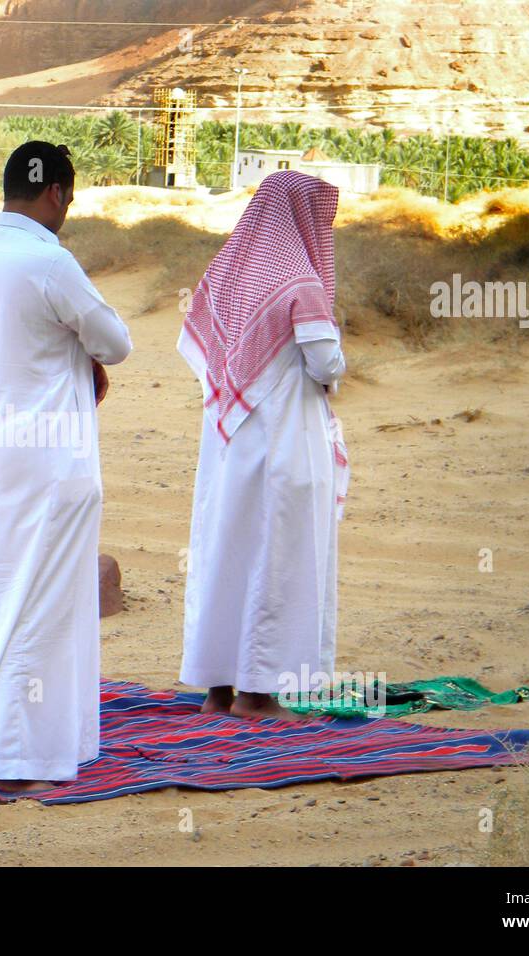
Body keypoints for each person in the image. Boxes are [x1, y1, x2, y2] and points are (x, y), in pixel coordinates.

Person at [0, 141, 132, 791]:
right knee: (41, 610)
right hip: (50, 465)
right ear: (55, 193)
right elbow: (115, 342)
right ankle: (21, 761)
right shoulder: (51, 262)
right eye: (69, 199)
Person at [176, 169, 350, 720]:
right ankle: (258, 694)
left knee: (226, 551)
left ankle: (216, 692)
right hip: (284, 443)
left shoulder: (227, 271)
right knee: (277, 557)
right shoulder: (300, 282)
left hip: (228, 444)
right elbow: (325, 361)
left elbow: (200, 349)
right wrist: (334, 374)